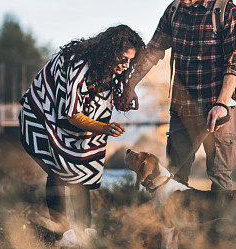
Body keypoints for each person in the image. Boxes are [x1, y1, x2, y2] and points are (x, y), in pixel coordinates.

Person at [123, 0, 236, 190]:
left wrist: (221, 104)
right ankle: (177, 228)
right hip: (182, 110)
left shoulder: (226, 11)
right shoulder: (174, 11)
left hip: (218, 111)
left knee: (220, 181)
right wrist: (131, 85)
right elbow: (153, 50)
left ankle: (222, 228)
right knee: (174, 179)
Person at [19, 24, 145, 237]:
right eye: (123, 59)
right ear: (109, 53)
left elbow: (98, 103)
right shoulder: (79, 67)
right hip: (42, 114)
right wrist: (104, 128)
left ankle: (82, 231)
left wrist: (125, 97)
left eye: (131, 61)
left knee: (83, 168)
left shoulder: (110, 68)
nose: (126, 65)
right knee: (58, 168)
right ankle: (61, 233)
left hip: (68, 119)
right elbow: (72, 114)